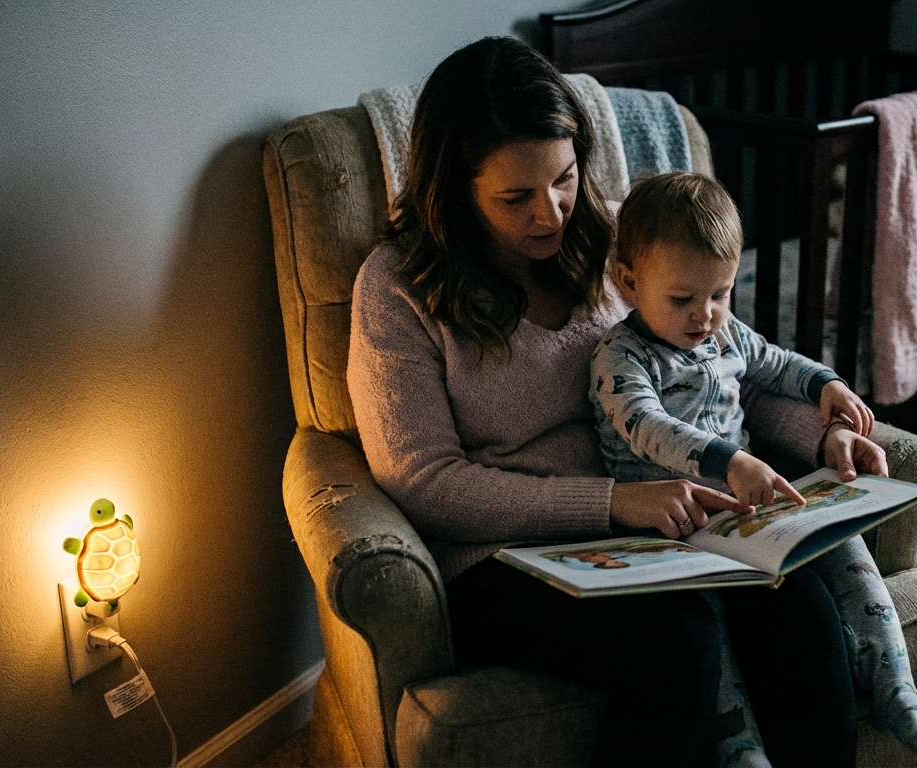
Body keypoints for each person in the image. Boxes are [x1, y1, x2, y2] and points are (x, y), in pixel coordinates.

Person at [348, 36, 887, 767]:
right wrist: (610, 504)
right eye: (515, 196)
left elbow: (725, 367)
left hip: (663, 521)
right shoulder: (398, 285)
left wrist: (823, 433)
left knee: (800, 608)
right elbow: (423, 481)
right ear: (453, 189)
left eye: (564, 179)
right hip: (502, 557)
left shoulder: (619, 241)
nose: (551, 214)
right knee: (676, 640)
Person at [590, 172, 917, 756]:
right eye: (682, 298)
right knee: (706, 629)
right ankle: (739, 747)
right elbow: (647, 427)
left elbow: (778, 363)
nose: (705, 316)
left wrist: (827, 388)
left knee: (847, 547)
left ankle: (896, 688)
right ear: (628, 281)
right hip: (673, 524)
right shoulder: (620, 355)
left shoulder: (724, 334)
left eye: (720, 294)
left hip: (747, 512)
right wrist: (731, 460)